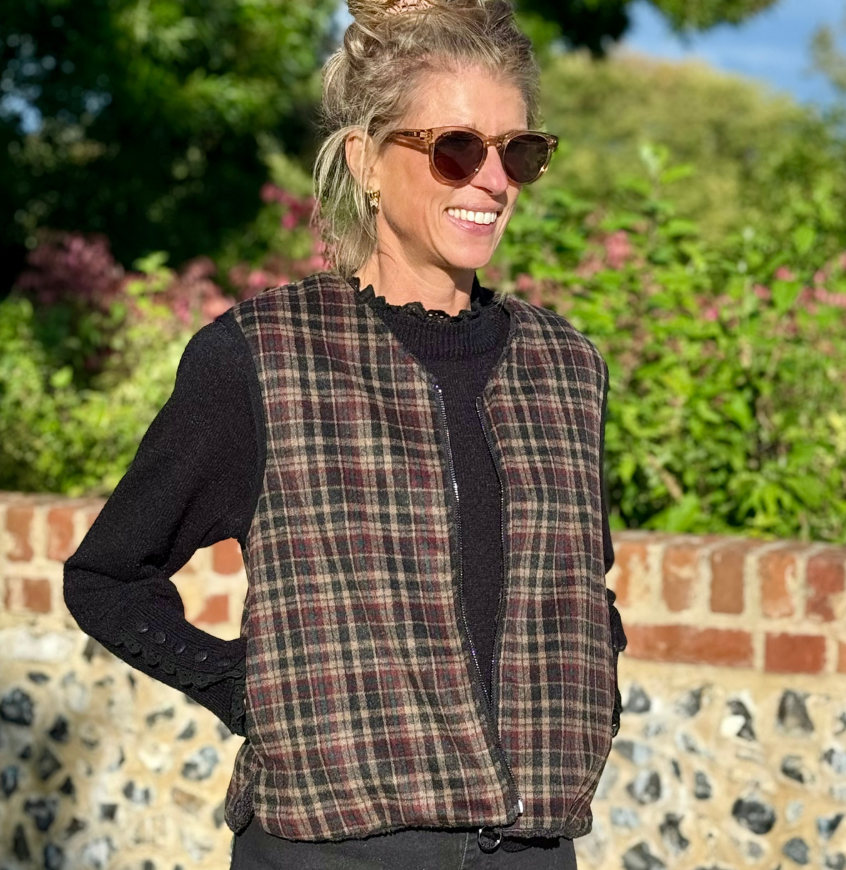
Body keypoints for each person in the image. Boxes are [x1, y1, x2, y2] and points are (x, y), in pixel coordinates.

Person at [63, 0, 627, 866]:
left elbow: (584, 582)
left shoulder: (567, 367)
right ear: (365, 158)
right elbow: (107, 578)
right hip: (331, 849)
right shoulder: (262, 357)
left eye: (518, 151)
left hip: (535, 848)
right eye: (456, 148)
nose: (492, 180)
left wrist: (595, 692)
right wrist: (252, 692)